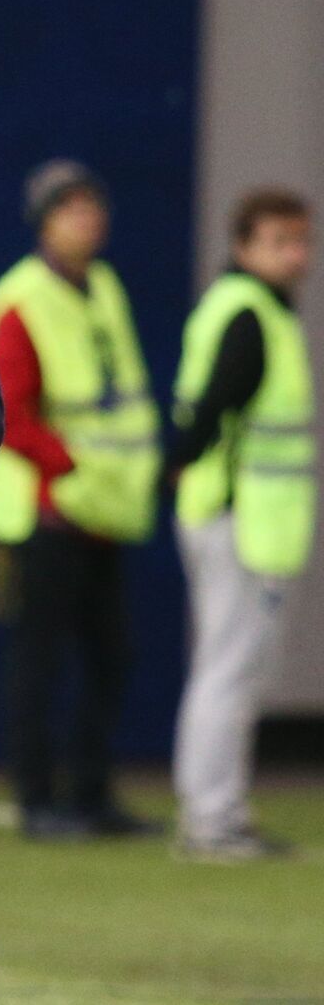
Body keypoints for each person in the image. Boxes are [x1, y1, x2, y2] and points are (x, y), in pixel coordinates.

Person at [0, 159, 162, 839]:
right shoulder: (21, 298)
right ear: (44, 221)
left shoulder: (103, 284)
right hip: (47, 507)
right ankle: (36, 797)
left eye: (92, 207)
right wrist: (68, 467)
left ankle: (90, 793)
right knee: (41, 656)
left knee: (112, 654)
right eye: (70, 209)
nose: (87, 220)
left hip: (101, 507)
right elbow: (6, 409)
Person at [168, 188, 314, 862]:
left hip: (246, 518)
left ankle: (219, 809)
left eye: (302, 240)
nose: (298, 254)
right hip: (236, 516)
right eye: (282, 240)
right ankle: (211, 817)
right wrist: (181, 469)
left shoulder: (260, 312)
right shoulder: (251, 317)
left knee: (233, 669)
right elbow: (207, 414)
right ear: (243, 244)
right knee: (228, 670)